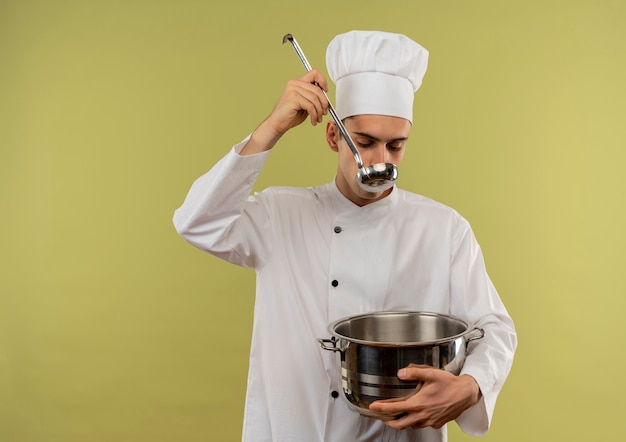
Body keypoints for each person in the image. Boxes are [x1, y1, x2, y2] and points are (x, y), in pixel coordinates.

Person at [173, 30, 517, 442]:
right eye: (366, 142)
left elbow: (495, 327)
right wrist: (273, 126)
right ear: (334, 136)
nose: (381, 160)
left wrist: (472, 383)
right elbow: (196, 222)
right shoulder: (281, 214)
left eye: (396, 146)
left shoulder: (443, 228)